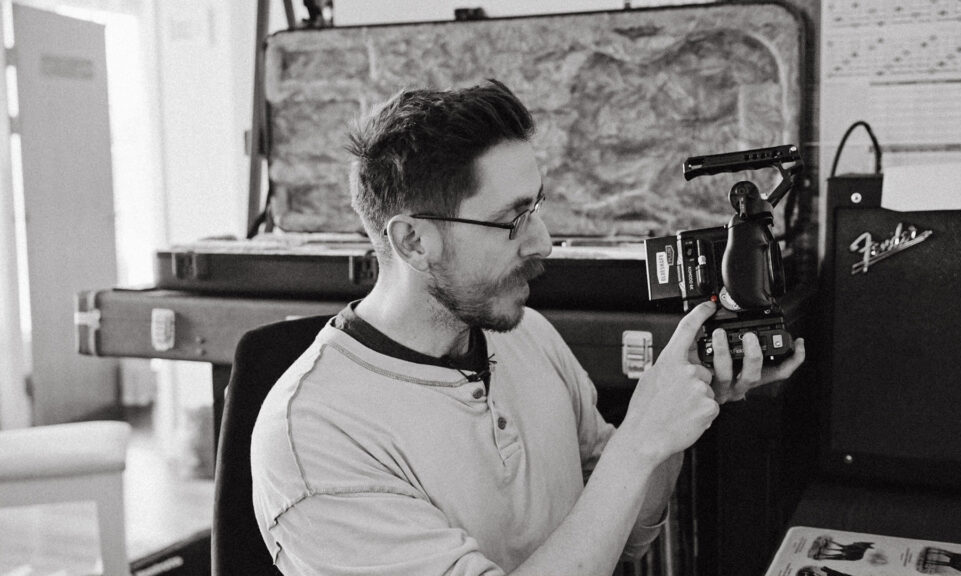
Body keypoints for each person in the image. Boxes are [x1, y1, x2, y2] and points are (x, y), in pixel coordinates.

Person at [250, 79, 806, 576]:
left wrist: (673, 418)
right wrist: (637, 439)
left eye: (537, 206)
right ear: (413, 241)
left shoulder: (527, 334)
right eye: (511, 220)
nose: (542, 242)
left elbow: (627, 536)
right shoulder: (313, 438)